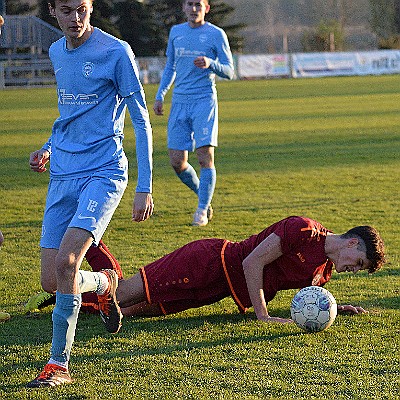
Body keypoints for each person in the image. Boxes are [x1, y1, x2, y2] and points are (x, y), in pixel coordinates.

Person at [26, 0, 154, 388]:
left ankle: (58, 364)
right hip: (63, 172)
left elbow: (142, 118)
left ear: (91, 8)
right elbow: (68, 114)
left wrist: (144, 185)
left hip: (103, 172)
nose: (76, 18)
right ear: (53, 11)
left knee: (67, 263)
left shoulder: (116, 52)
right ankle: (104, 283)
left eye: (82, 9)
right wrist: (49, 145)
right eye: (67, 10)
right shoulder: (54, 52)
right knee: (52, 280)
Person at [115, 216, 385, 321]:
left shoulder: (323, 272)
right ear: (352, 243)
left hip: (216, 290)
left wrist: (334, 309)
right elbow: (251, 262)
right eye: (359, 263)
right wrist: (263, 315)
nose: (355, 270)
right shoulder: (302, 229)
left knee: (124, 312)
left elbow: (306, 302)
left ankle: (81, 300)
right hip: (208, 262)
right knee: (120, 295)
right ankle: (83, 266)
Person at [153, 0, 234, 226]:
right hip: (180, 102)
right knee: (177, 162)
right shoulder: (176, 32)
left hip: (204, 101)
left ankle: (200, 211)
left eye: (198, 4)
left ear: (206, 8)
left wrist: (211, 63)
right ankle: (203, 197)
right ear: (183, 8)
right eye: (190, 4)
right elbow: (170, 67)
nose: (194, 8)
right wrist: (160, 94)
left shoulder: (216, 34)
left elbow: (230, 70)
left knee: (204, 157)